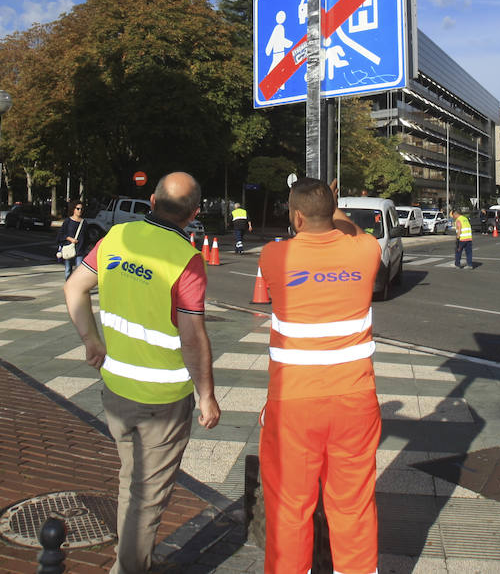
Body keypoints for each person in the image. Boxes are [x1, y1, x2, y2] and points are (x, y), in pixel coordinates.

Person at [63, 172, 220, 574]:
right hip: (162, 401)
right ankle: (128, 567)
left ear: (151, 200)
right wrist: (206, 395)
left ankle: (128, 556)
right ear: (194, 214)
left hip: (116, 390)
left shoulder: (116, 238)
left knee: (130, 481)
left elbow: (74, 287)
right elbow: (192, 337)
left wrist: (91, 341)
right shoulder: (186, 259)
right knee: (147, 497)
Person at [257, 178, 383, 574]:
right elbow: (353, 231)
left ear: (295, 217)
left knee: (290, 507)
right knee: (353, 505)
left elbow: (314, 224)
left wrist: (321, 208)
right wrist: (336, 209)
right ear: (333, 212)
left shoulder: (273, 258)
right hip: (355, 401)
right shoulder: (366, 252)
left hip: (293, 405)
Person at [56, 201, 85, 280]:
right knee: (68, 269)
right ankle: (68, 285)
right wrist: (70, 239)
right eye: (78, 208)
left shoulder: (84, 222)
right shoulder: (68, 221)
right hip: (69, 248)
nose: (80, 211)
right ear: (73, 209)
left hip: (80, 250)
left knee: (79, 270)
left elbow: (86, 237)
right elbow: (60, 235)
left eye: (81, 209)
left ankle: (76, 287)